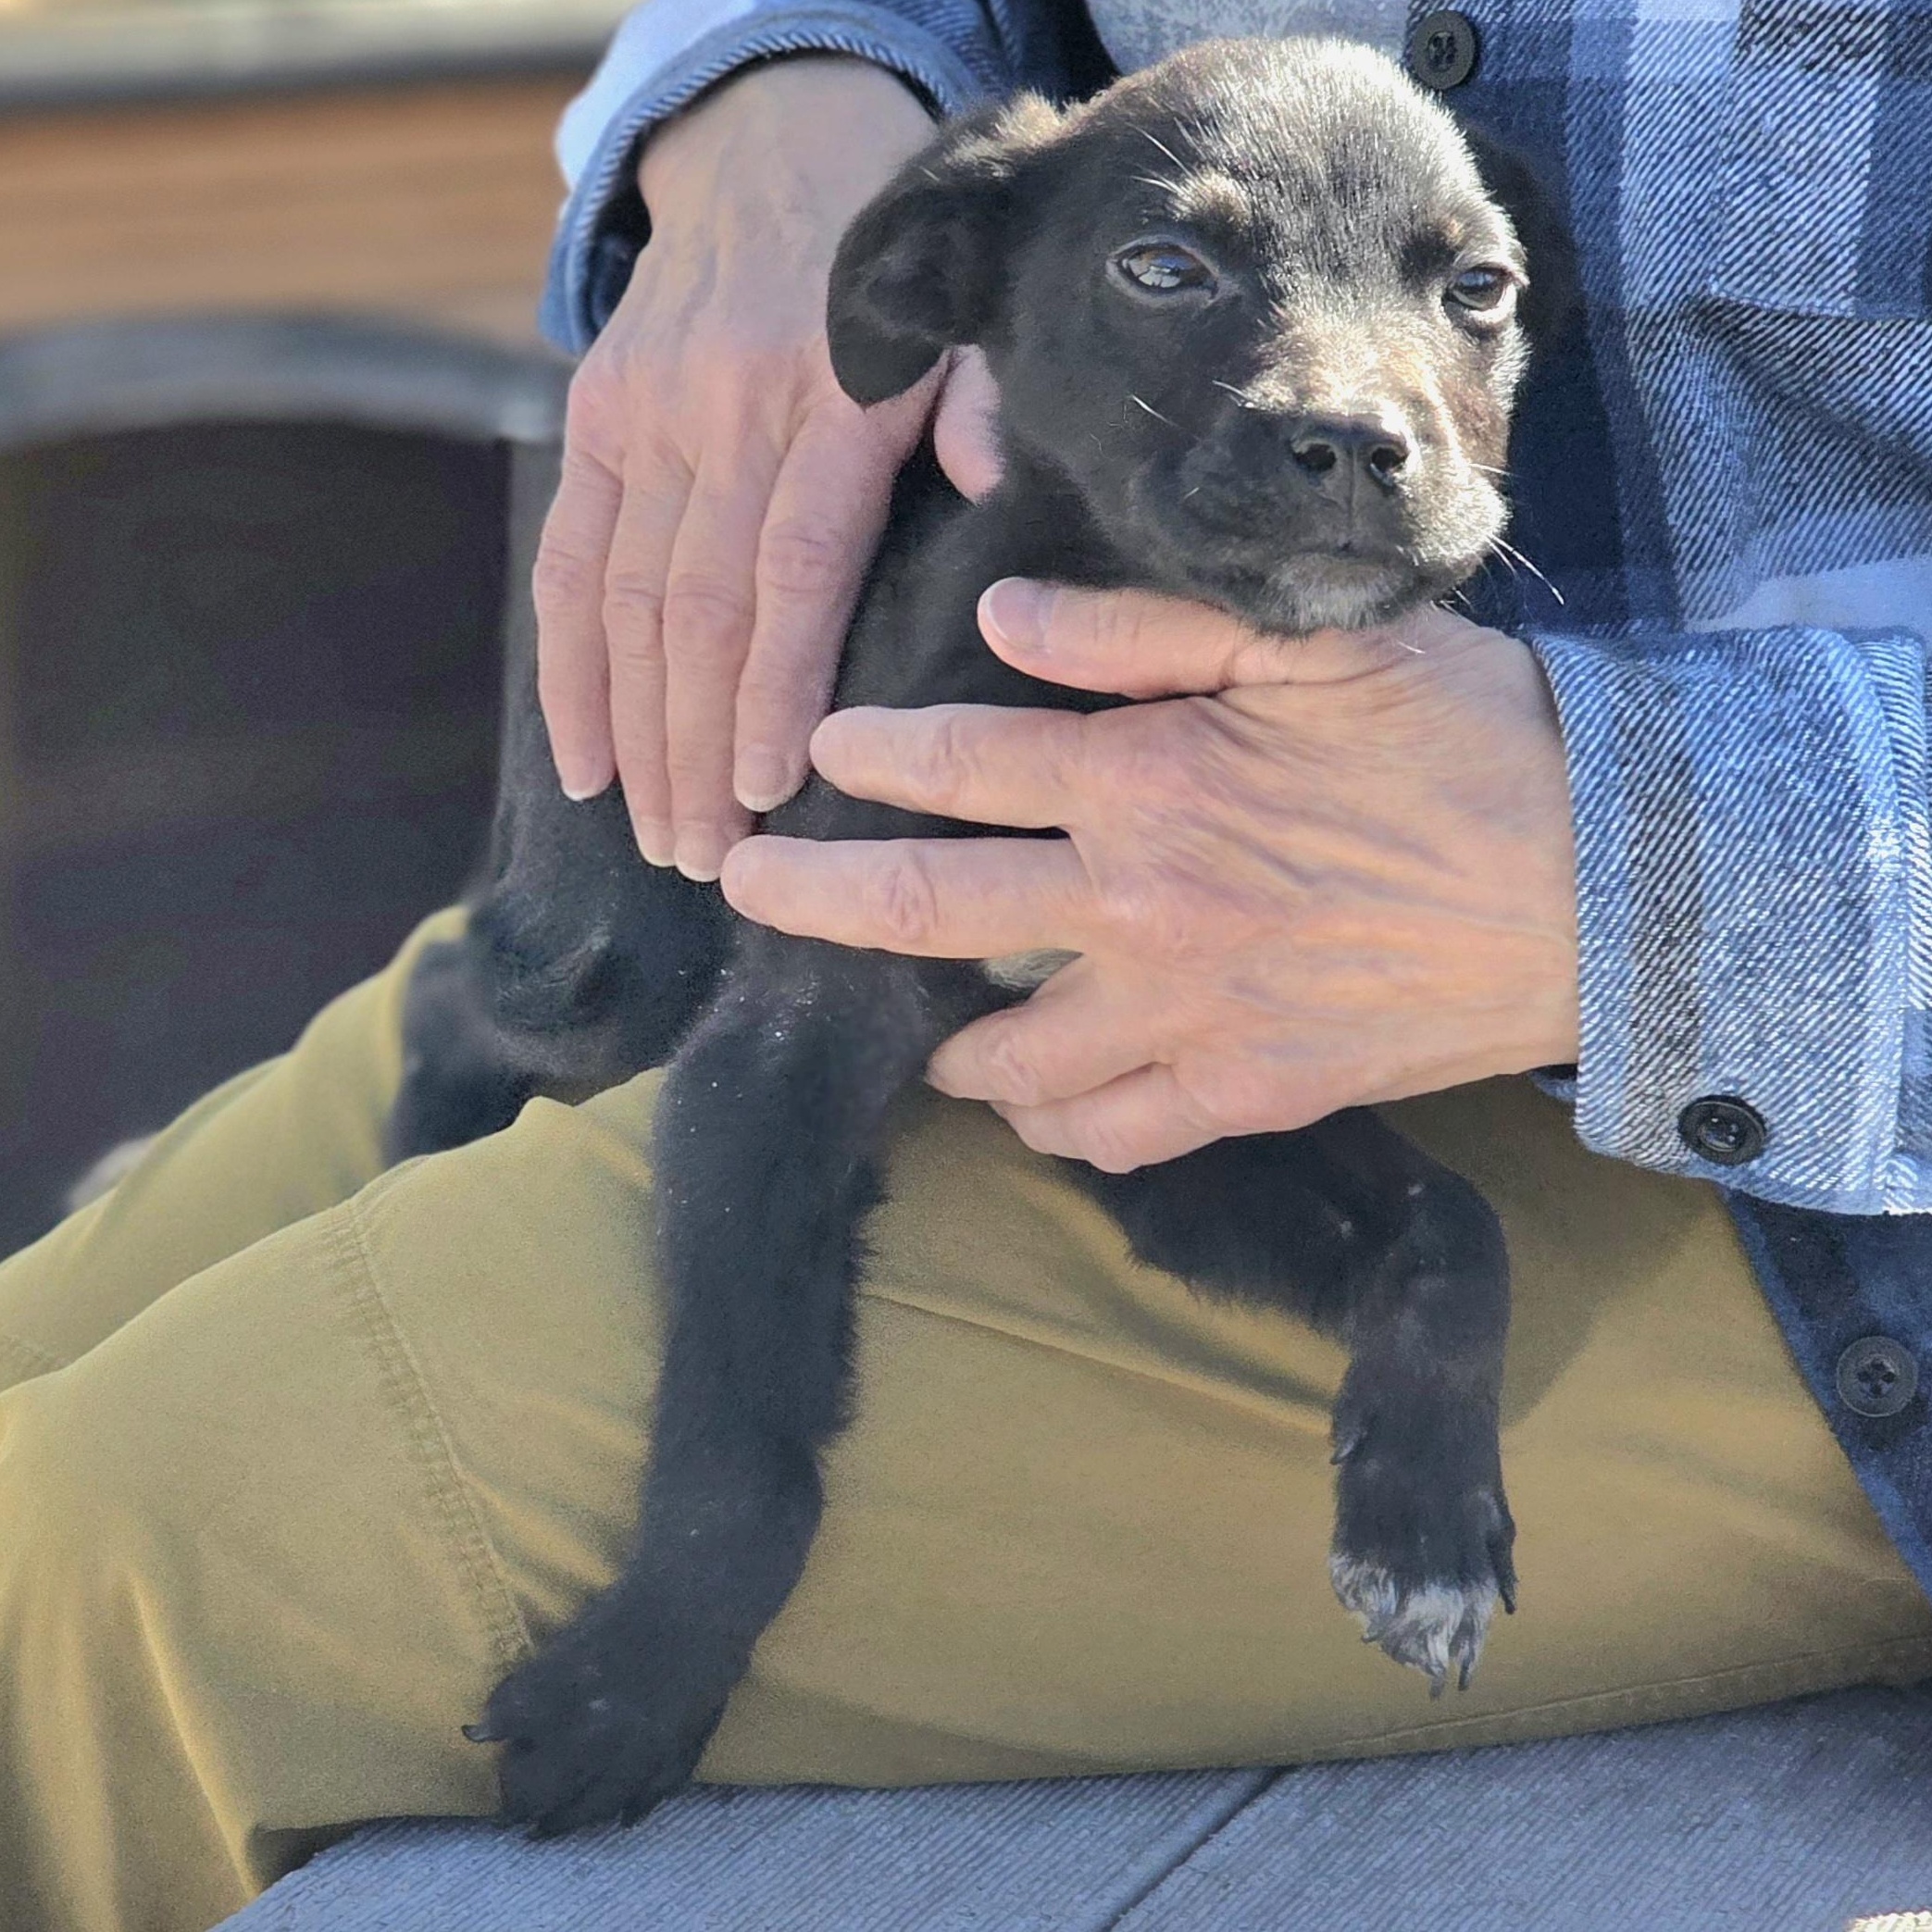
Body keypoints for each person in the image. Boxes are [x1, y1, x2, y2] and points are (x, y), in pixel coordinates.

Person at [5, 4, 1931, 1927]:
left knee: (123, 1550)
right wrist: (789, 83)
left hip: (1800, 1147)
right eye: (1175, 266)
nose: (1358, 402)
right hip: (971, 853)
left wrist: (1655, 867)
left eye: (1476, 292)